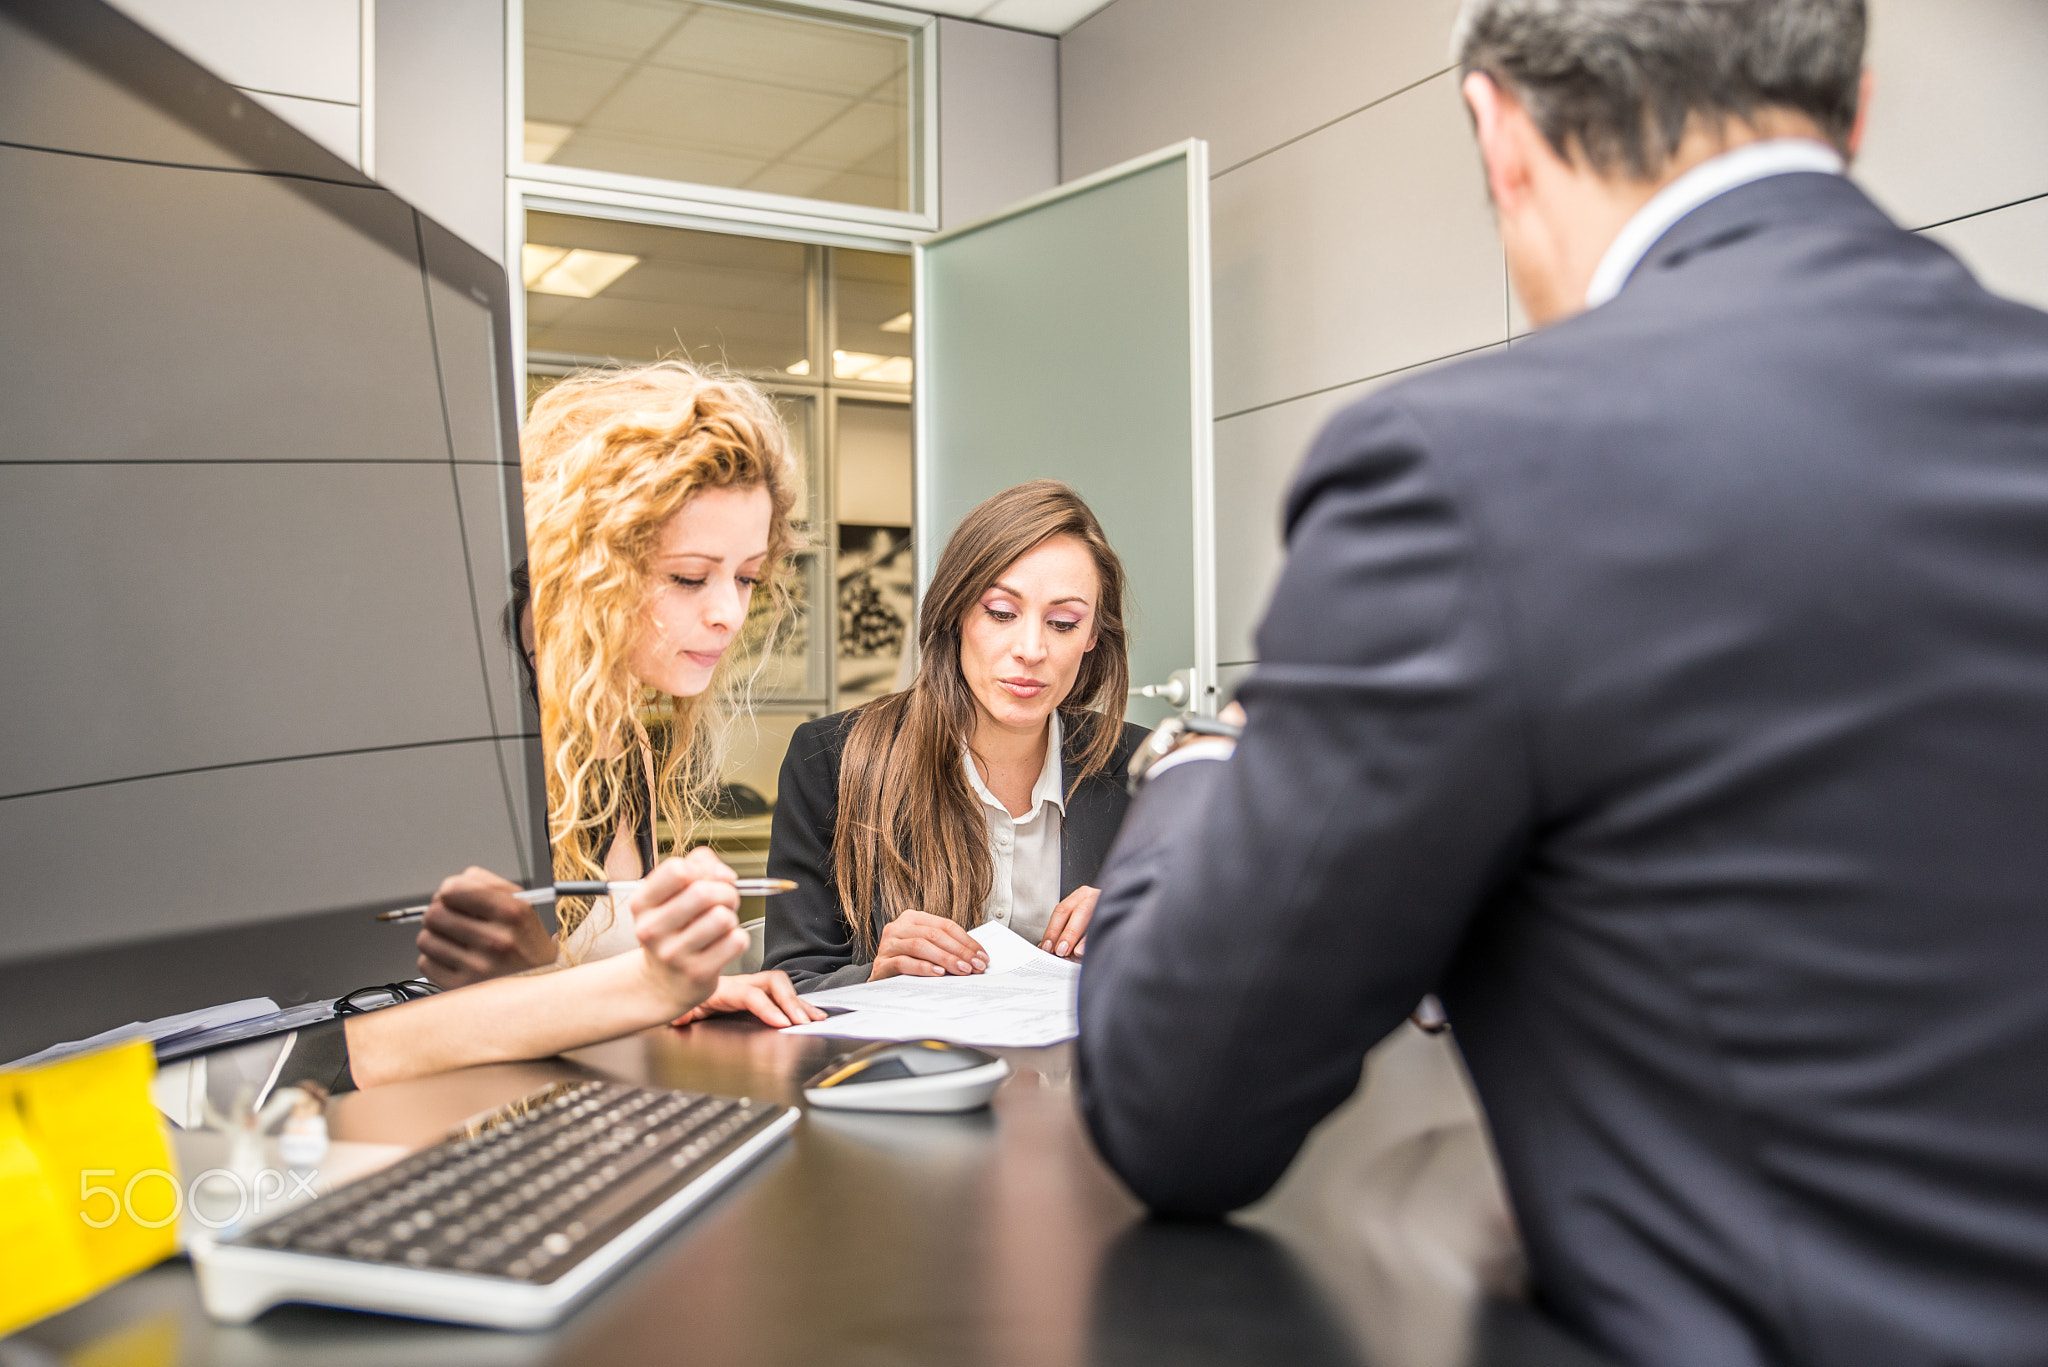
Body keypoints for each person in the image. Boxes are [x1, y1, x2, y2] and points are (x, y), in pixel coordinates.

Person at [1075, 3, 2048, 1366]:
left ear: (1500, 131)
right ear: (1855, 113)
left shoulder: (1470, 471)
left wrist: (1194, 766)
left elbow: (1178, 1104)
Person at [344, 361, 830, 1087]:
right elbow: (369, 1041)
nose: (729, 610)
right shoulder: (469, 730)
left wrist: (678, 991)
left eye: (748, 576)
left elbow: (546, 986)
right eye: (690, 576)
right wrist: (652, 988)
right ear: (585, 565)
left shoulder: (621, 734)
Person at [765, 481, 1150, 990]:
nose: (1031, 649)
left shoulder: (1145, 768)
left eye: (1063, 622)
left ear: (1092, 636)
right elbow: (790, 983)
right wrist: (876, 976)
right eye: (1001, 613)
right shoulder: (831, 759)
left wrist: (1153, 929)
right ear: (956, 612)